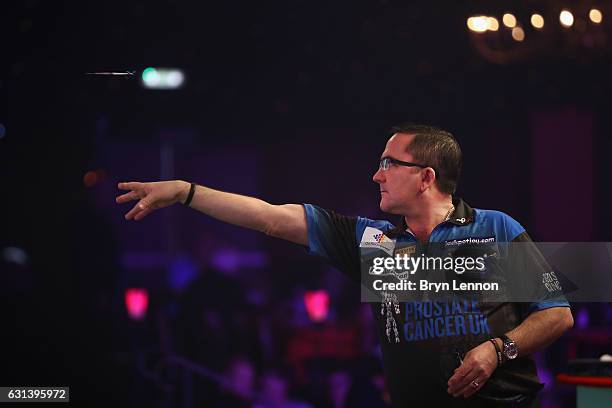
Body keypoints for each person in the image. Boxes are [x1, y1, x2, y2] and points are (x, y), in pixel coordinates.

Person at [116, 123, 574, 407]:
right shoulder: (372, 242)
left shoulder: (496, 227)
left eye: (388, 163)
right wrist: (184, 191)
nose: (376, 174)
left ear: (426, 177)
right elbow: (270, 218)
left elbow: (556, 313)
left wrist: (498, 349)